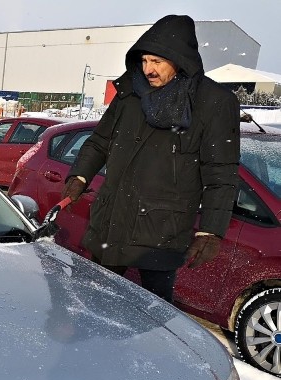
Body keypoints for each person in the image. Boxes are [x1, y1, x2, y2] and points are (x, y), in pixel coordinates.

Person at [60, 14, 240, 302]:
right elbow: (99, 141)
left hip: (161, 232)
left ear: (179, 59)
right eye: (144, 61)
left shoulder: (213, 102)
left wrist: (211, 230)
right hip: (112, 221)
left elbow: (221, 173)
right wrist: (80, 175)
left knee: (153, 316)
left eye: (156, 62)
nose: (148, 69)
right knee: (91, 306)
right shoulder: (130, 93)